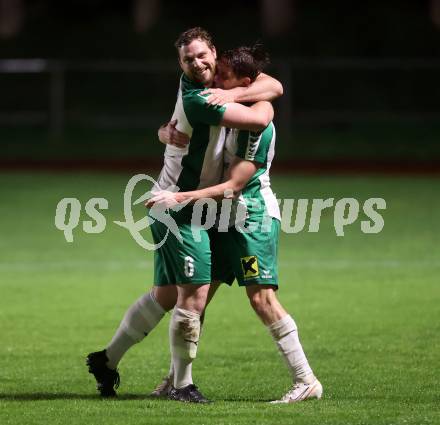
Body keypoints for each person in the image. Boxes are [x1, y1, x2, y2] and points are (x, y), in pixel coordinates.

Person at [86, 27, 283, 402]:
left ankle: (106, 360)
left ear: (214, 52)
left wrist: (234, 91)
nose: (196, 63)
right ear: (180, 64)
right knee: (195, 292)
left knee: (164, 295)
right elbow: (263, 115)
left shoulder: (221, 85)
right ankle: (181, 386)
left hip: (192, 202)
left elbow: (274, 84)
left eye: (201, 55)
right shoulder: (197, 100)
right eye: (187, 59)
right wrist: (240, 93)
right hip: (177, 205)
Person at [149, 45, 323, 404]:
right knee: (195, 300)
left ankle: (306, 380)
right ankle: (177, 380)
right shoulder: (231, 108)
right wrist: (166, 132)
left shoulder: (257, 119)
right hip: (222, 220)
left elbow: (233, 187)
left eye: (224, 76)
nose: (215, 78)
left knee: (261, 299)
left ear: (244, 82)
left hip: (250, 220)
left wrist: (177, 198)